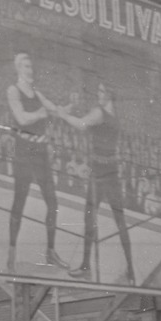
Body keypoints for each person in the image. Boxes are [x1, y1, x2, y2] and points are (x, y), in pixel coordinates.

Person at [58, 83, 136, 284]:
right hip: (111, 173)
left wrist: (63, 115)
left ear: (109, 93)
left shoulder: (100, 113)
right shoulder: (114, 116)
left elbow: (82, 124)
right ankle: (131, 270)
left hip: (99, 174)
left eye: (101, 91)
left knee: (89, 219)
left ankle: (86, 267)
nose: (98, 94)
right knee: (120, 223)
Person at [5, 52, 65, 272]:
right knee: (18, 204)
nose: (31, 71)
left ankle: (50, 252)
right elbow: (21, 119)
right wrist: (41, 113)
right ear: (19, 68)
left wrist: (67, 108)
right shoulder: (13, 90)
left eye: (32, 67)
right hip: (24, 151)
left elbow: (55, 110)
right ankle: (11, 256)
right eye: (27, 67)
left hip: (40, 152)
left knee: (53, 203)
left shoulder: (37, 93)